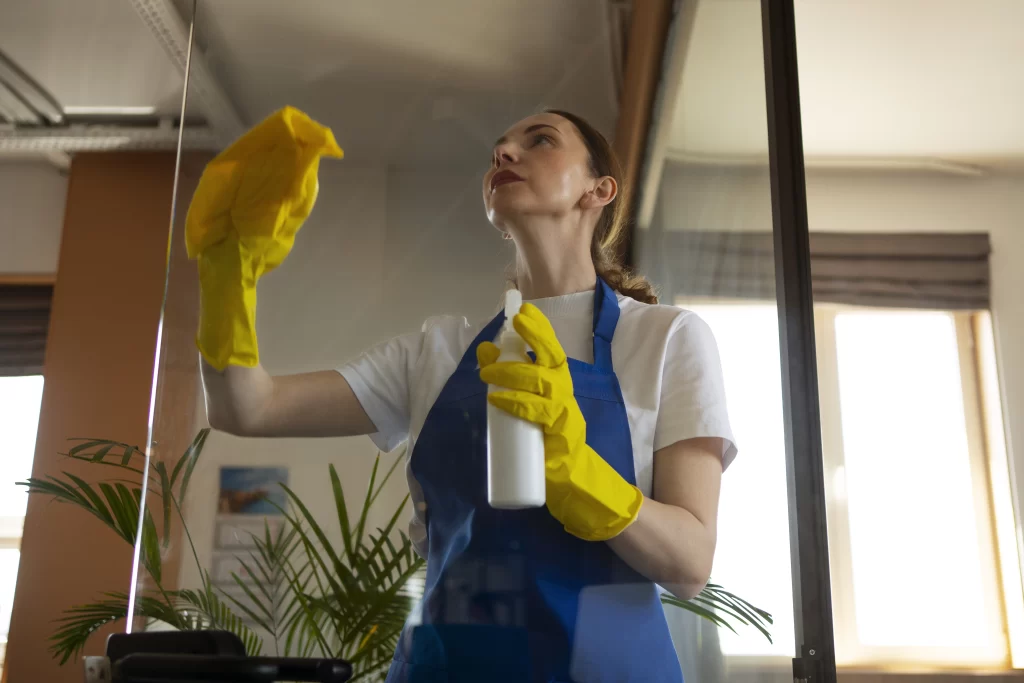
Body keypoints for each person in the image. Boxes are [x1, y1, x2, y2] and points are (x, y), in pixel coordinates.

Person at [189, 106, 736, 683]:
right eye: (498, 148)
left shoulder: (667, 339)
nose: (504, 154)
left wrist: (582, 475)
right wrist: (229, 272)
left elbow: (689, 563)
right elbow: (245, 408)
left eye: (540, 140)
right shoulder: (437, 353)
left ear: (599, 191)